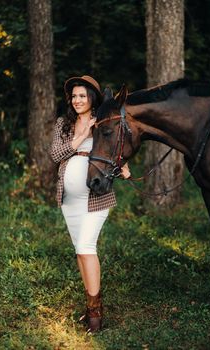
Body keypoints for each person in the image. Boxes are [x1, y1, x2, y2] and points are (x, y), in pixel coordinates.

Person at [50, 75, 130, 333]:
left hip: (96, 197)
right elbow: (55, 154)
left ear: (92, 97)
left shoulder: (103, 119)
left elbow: (115, 146)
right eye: (74, 96)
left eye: (82, 95)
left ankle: (96, 314)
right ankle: (90, 305)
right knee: (80, 252)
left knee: (86, 247)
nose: (77, 100)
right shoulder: (64, 123)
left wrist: (123, 165)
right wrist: (81, 134)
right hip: (69, 199)